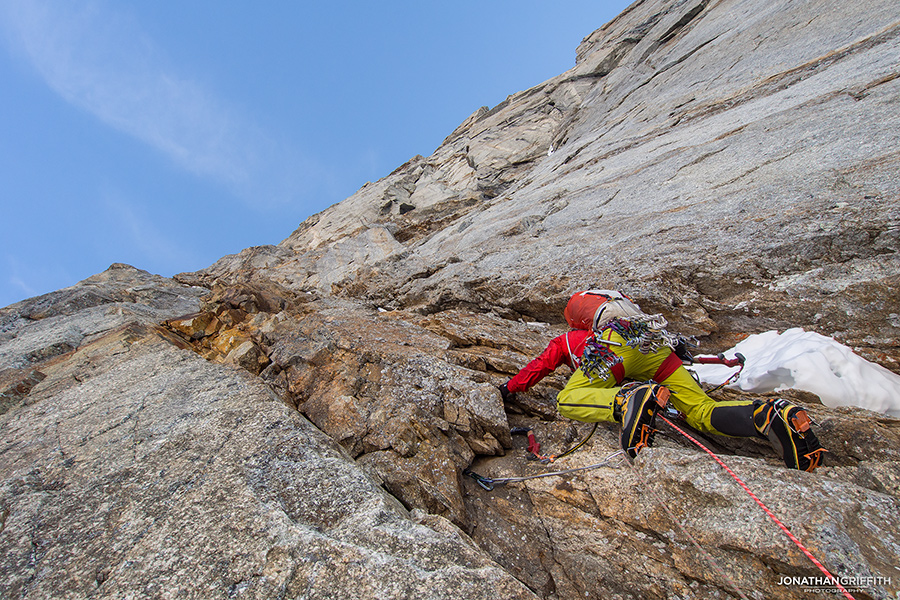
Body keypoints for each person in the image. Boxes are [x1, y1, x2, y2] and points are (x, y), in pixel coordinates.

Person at [501, 290, 827, 472]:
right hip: (653, 343)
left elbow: (538, 368)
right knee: (701, 410)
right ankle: (768, 416)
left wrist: (508, 389)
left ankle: (627, 403)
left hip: (614, 349)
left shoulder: (572, 339)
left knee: (568, 399)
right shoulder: (622, 306)